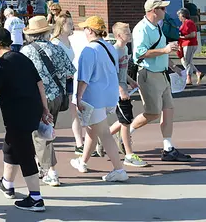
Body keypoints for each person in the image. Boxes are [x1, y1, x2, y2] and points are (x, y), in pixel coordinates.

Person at [0, 27, 53, 213]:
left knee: (25, 153)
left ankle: (36, 198)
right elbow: (39, 84)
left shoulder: (1, 64)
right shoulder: (23, 58)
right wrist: (44, 108)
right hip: (32, 109)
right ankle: (7, 184)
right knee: (10, 146)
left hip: (17, 114)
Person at [130, 0, 192, 162]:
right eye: (162, 9)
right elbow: (139, 54)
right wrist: (165, 50)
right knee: (152, 113)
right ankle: (124, 133)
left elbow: (160, 49)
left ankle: (168, 148)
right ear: (153, 11)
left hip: (162, 74)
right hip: (148, 74)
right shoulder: (141, 29)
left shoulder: (157, 27)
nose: (165, 11)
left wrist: (173, 66)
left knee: (168, 110)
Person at [70, 16, 128, 182]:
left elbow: (83, 78)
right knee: (93, 129)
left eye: (85, 28)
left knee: (102, 131)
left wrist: (78, 97)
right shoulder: (109, 47)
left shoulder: (89, 50)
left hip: (94, 96)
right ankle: (82, 161)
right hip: (108, 95)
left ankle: (119, 169)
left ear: (90, 30)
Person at [20, 15, 75, 186]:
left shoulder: (26, 52)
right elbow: (69, 72)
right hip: (57, 96)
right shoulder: (57, 49)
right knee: (47, 131)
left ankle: (50, 170)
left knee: (41, 134)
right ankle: (44, 165)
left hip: (37, 98)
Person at [107, 22, 148, 168]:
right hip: (117, 91)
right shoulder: (115, 50)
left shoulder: (125, 48)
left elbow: (123, 71)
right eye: (127, 33)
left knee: (124, 119)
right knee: (126, 121)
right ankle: (129, 154)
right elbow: (113, 74)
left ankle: (103, 137)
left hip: (124, 87)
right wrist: (121, 89)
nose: (130, 35)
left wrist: (131, 81)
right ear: (118, 35)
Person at [51, 12, 84, 153]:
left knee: (75, 111)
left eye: (72, 23)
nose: (72, 26)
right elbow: (52, 64)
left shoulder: (70, 41)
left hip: (70, 80)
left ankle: (79, 144)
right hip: (57, 82)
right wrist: (64, 73)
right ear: (61, 25)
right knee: (52, 114)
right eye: (69, 24)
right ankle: (47, 145)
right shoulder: (55, 42)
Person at [178, 8, 203, 85]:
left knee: (187, 61)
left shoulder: (189, 23)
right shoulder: (184, 23)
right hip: (185, 44)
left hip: (189, 44)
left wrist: (182, 37)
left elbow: (193, 34)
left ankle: (189, 78)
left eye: (179, 15)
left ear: (183, 15)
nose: (178, 17)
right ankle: (198, 72)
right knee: (186, 61)